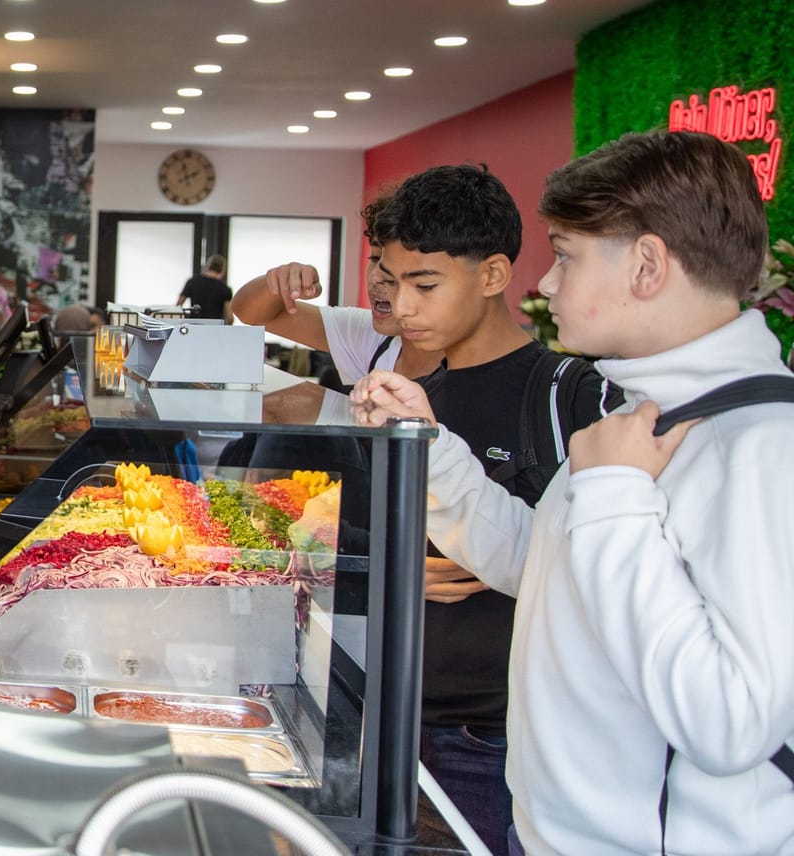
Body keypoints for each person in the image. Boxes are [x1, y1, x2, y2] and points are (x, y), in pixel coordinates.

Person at [355, 132, 794, 856]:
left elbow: (731, 721)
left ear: (647, 266)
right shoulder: (642, 417)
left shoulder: (760, 442)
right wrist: (427, 445)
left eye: (566, 255)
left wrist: (618, 500)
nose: (550, 285)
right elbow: (541, 568)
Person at [369, 164, 618, 852]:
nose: (404, 307)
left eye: (424, 285)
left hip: (494, 735)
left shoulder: (572, 396)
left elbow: (584, 566)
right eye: (392, 283)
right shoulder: (415, 397)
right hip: (390, 715)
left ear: (493, 274)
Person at [229, 194, 446, 386]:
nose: (378, 277)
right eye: (375, 258)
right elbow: (249, 312)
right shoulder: (371, 337)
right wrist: (278, 282)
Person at [177, 254, 233, 320]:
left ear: (207, 266)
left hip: (193, 325)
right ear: (223, 270)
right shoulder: (225, 289)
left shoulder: (192, 282)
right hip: (214, 327)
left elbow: (178, 307)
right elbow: (229, 317)